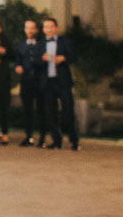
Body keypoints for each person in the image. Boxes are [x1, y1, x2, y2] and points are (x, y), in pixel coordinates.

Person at [41, 18, 79, 151]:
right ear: (43, 29)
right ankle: (56, 141)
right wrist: (42, 59)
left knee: (68, 111)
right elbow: (35, 63)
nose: (49, 29)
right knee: (51, 113)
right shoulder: (41, 44)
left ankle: (74, 141)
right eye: (46, 27)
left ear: (56, 28)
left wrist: (64, 58)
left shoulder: (65, 41)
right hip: (48, 83)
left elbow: (74, 56)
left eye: (51, 27)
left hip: (63, 82)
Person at [15, 19, 46, 147]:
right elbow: (18, 61)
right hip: (26, 81)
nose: (30, 31)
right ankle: (28, 136)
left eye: (32, 28)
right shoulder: (21, 45)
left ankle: (42, 137)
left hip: (39, 81)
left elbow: (43, 61)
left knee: (41, 110)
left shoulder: (42, 45)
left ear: (36, 30)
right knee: (27, 110)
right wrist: (18, 67)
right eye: (27, 28)